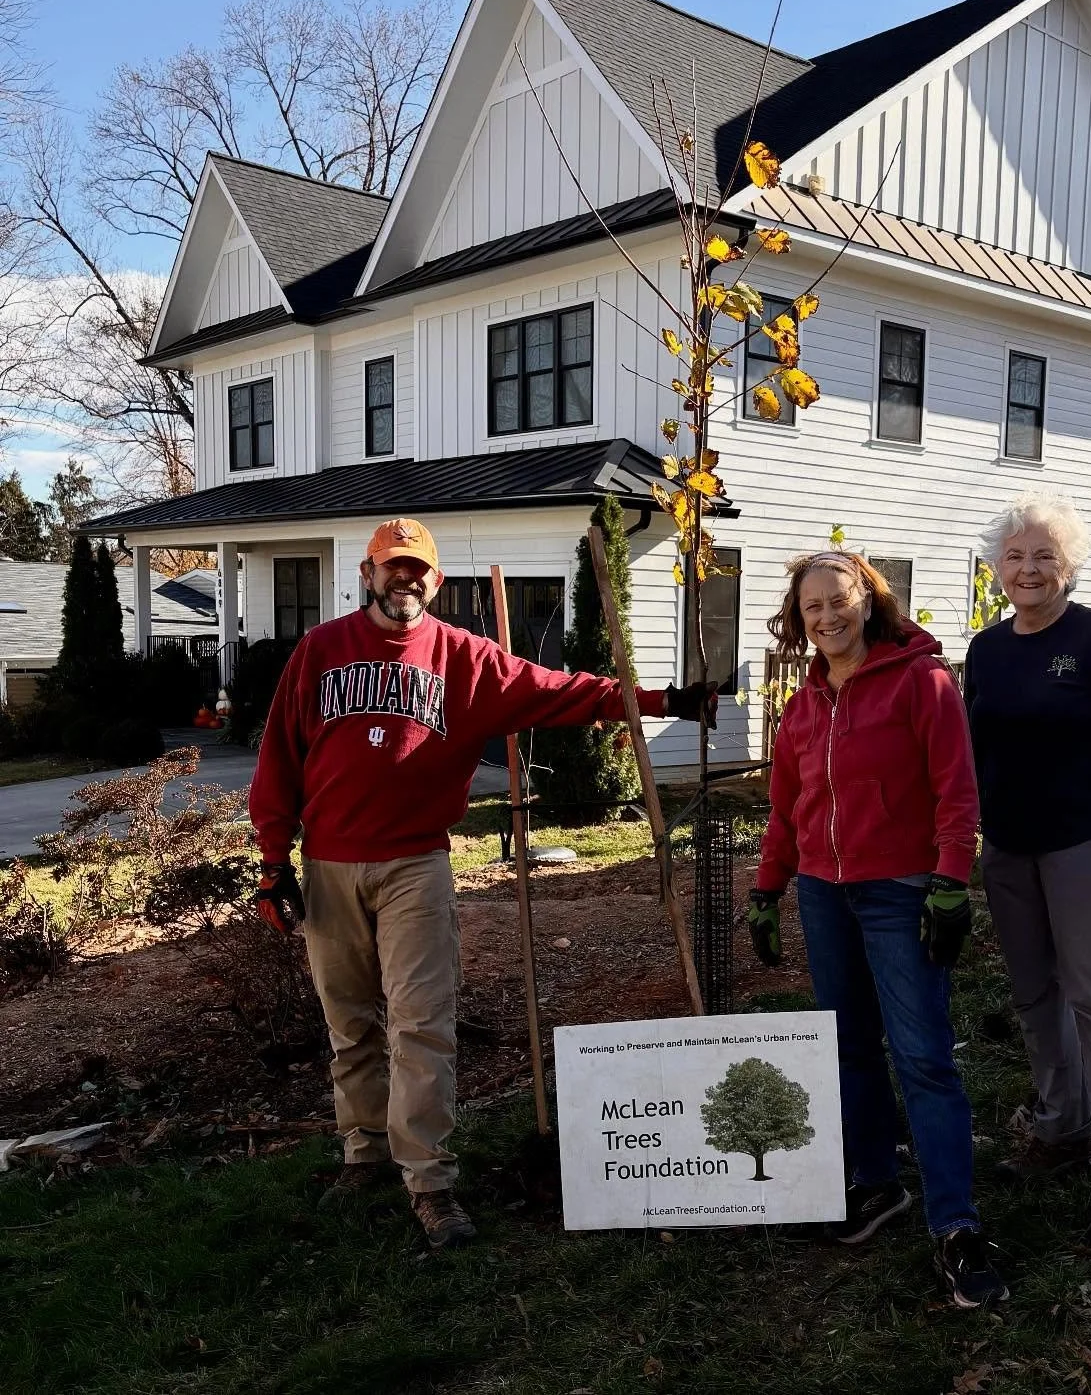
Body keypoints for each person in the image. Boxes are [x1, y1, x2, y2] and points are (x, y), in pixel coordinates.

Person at [249, 517, 716, 1250]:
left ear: (435, 582)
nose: (404, 580)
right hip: (330, 862)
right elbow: (278, 755)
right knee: (350, 1024)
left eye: (418, 570)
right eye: (390, 567)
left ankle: (429, 1181)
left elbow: (563, 691)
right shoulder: (320, 650)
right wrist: (274, 862)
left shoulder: (465, 660)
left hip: (416, 864)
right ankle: (365, 1153)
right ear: (367, 575)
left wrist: (659, 700)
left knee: (422, 1022)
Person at [746, 551, 1007, 1310]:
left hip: (900, 892)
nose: (827, 616)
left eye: (838, 600)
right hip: (825, 896)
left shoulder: (921, 680)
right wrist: (767, 890)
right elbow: (786, 813)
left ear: (868, 598)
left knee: (923, 1054)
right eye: (812, 608)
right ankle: (875, 1181)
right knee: (849, 1047)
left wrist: (952, 881)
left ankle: (956, 1225)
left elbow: (958, 790)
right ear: (799, 621)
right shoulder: (801, 708)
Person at [962, 490, 1091, 1238]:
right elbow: (973, 750)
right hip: (1008, 847)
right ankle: (1061, 1123)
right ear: (997, 567)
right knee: (1036, 996)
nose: (1029, 567)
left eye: (1045, 554)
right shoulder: (986, 649)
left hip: (1086, 844)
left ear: (1068, 562)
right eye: (1015, 555)